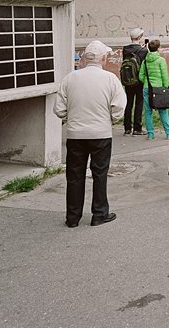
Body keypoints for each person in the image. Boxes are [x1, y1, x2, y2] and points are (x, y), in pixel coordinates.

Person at [54, 40, 126, 227]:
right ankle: (99, 214)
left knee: (74, 176)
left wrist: (71, 118)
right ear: (103, 58)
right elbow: (118, 108)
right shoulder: (110, 79)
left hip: (75, 135)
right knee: (100, 174)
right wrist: (110, 120)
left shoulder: (70, 78)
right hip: (101, 134)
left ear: (85, 58)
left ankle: (72, 217)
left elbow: (59, 109)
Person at [138, 39, 169, 140]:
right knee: (163, 111)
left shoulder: (145, 61)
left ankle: (150, 134)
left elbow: (141, 76)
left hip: (147, 88)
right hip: (159, 89)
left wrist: (146, 81)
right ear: (158, 49)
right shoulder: (161, 60)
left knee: (148, 112)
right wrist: (165, 87)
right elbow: (164, 76)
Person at [122, 27, 148, 135]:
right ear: (140, 37)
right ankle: (137, 128)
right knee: (139, 103)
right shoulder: (143, 50)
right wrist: (144, 49)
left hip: (128, 79)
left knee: (128, 102)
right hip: (139, 80)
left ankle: (127, 127)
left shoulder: (125, 49)